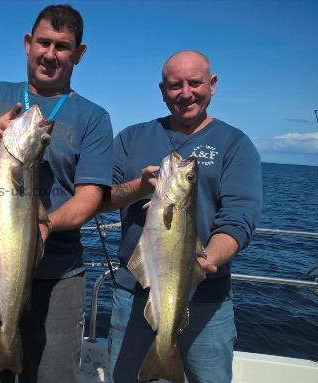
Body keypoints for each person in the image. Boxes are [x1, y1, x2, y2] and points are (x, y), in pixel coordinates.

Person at [0, 4, 113, 382]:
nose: (50, 54)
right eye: (43, 42)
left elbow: (90, 197)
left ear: (79, 54)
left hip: (59, 275)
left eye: (62, 46)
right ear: (28, 44)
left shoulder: (94, 117)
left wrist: (45, 225)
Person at [104, 50, 262, 383]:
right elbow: (99, 199)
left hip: (207, 300)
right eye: (175, 85)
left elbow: (239, 219)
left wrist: (207, 261)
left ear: (213, 84)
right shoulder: (131, 138)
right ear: (162, 90)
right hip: (132, 295)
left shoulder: (235, 144)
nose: (185, 93)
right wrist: (138, 188)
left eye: (195, 83)